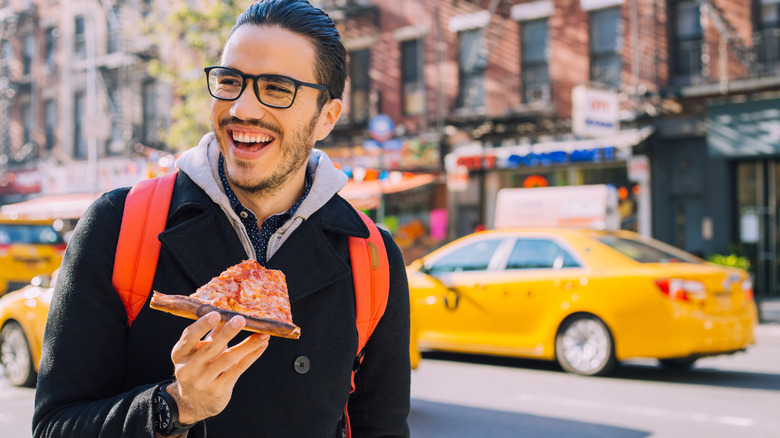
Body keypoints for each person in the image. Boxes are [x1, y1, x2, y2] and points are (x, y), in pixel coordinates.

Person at [32, 1, 411, 436]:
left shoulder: (372, 256)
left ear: (326, 116)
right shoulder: (119, 225)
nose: (243, 108)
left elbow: (382, 428)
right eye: (230, 81)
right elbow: (53, 426)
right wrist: (172, 406)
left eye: (276, 88)